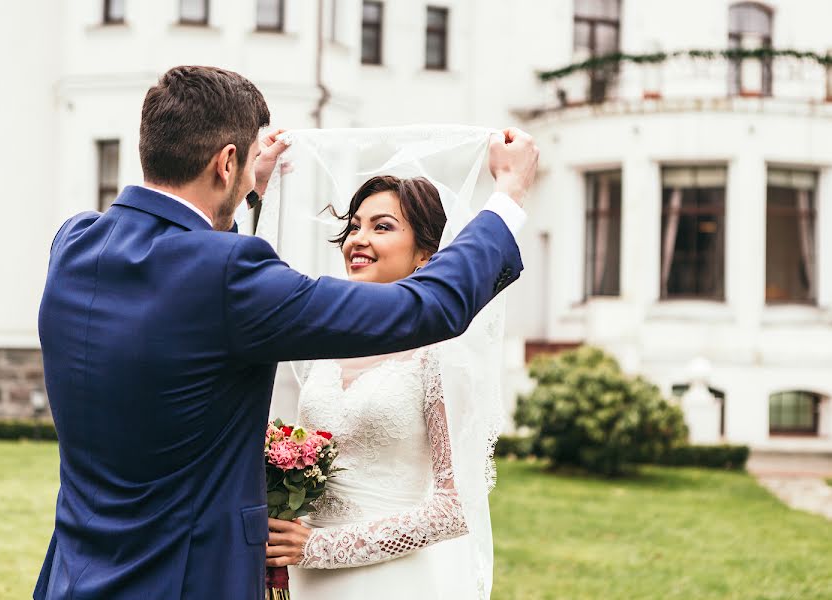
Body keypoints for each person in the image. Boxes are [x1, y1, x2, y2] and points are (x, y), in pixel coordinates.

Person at [34, 65, 538, 600]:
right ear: (227, 163)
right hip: (184, 581)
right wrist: (506, 198)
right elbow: (425, 306)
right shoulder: (229, 276)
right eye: (248, 164)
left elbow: (184, 282)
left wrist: (248, 197)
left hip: (75, 575)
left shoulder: (74, 244)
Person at [267, 175, 491, 598]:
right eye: (354, 226)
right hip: (305, 580)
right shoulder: (325, 345)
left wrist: (322, 547)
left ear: (425, 253)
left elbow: (457, 508)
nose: (358, 239)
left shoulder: (440, 356)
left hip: (389, 581)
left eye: (381, 226)